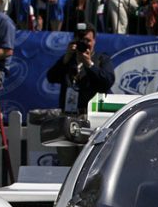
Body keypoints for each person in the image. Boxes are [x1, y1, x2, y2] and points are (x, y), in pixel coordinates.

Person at [46, 22, 115, 163]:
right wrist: (65, 58)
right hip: (68, 116)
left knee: (87, 163)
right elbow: (51, 77)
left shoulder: (101, 59)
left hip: (90, 117)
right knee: (66, 163)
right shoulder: (67, 60)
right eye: (81, 41)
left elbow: (107, 81)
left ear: (94, 41)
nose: (85, 44)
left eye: (88, 41)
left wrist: (89, 64)